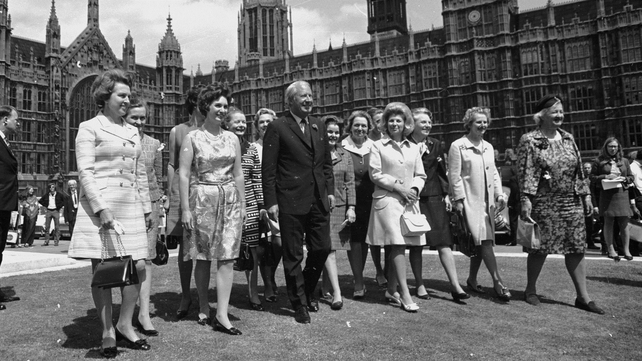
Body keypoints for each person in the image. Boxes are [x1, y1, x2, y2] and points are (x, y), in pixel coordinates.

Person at [67, 69, 153, 358]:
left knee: (138, 267)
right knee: (103, 271)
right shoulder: (89, 127)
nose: (128, 100)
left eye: (129, 95)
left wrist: (147, 207)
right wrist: (101, 208)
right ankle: (107, 332)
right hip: (101, 205)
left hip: (130, 205)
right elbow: (85, 173)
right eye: (122, 95)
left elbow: (139, 172)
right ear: (105, 97)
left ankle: (125, 324)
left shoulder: (132, 130)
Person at [517, 94, 604, 314]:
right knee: (539, 248)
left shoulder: (568, 138)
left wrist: (585, 195)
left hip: (571, 201)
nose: (560, 115)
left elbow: (578, 170)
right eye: (555, 112)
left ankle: (583, 297)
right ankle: (530, 290)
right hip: (544, 202)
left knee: (576, 246)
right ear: (542, 115)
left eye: (561, 111)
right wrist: (526, 198)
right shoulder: (530, 140)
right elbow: (525, 171)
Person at [262, 80, 335, 324]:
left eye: (310, 96)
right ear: (290, 100)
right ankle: (299, 303)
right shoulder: (278, 126)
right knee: (293, 255)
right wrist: (271, 201)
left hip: (318, 198)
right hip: (290, 199)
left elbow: (325, 163)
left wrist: (330, 190)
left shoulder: (319, 125)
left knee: (322, 248)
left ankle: (304, 288)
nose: (308, 100)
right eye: (303, 96)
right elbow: (269, 169)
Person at [179, 83, 245, 335]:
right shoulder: (192, 137)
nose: (222, 110)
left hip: (228, 200)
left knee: (227, 256)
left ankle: (222, 313)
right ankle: (204, 304)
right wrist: (185, 209)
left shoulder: (232, 138)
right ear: (206, 107)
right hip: (202, 199)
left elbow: (238, 174)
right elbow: (184, 175)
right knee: (204, 257)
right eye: (218, 105)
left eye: (225, 106)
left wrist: (243, 204)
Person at [366, 102, 426, 313]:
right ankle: (405, 293)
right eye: (390, 120)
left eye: (398, 120)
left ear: (406, 123)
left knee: (397, 246)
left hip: (409, 201)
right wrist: (400, 188)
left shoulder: (414, 147)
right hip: (387, 200)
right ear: (385, 123)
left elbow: (420, 175)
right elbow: (375, 174)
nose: (394, 124)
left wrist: (415, 190)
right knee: (398, 245)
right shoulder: (377, 146)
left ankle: (391, 290)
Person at [448, 107, 511, 302]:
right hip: (469, 202)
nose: (483, 125)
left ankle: (472, 279)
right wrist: (458, 201)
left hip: (488, 203)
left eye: (485, 122)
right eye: (478, 122)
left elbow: (493, 173)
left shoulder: (489, 147)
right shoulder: (458, 146)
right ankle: (498, 282)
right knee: (484, 242)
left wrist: (499, 194)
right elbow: (454, 176)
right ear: (469, 124)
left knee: (481, 242)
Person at [408, 107, 469, 302]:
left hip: (434, 197)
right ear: (412, 124)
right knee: (417, 245)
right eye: (423, 122)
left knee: (444, 243)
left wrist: (447, 195)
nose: (427, 125)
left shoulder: (436, 144)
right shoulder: (404, 144)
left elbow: (443, 172)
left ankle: (455, 285)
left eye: (429, 122)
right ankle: (419, 284)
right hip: (413, 198)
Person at [124, 92, 162, 336]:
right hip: (126, 206)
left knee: (146, 261)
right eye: (134, 118)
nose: (139, 122)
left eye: (143, 118)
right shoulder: (119, 141)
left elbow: (156, 176)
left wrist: (160, 203)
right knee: (127, 262)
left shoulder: (153, 143)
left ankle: (144, 313)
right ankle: (126, 314)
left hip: (151, 206)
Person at [167, 85, 205, 320]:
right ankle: (185, 295)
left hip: (207, 193)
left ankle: (202, 298)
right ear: (193, 104)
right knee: (185, 250)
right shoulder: (178, 131)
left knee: (205, 249)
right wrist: (172, 197)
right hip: (184, 194)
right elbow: (172, 165)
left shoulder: (214, 130)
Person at [223, 107, 265, 311]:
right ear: (227, 124)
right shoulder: (221, 147)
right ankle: (224, 295)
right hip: (226, 204)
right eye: (236, 122)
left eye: (244, 122)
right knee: (226, 252)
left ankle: (253, 293)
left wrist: (260, 206)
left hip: (249, 204)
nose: (241, 125)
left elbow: (256, 179)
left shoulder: (251, 149)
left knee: (252, 251)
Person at [340, 110, 378, 296]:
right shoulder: (342, 146)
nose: (360, 129)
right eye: (356, 125)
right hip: (350, 201)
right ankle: (359, 281)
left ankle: (359, 277)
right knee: (354, 241)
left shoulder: (375, 146)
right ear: (350, 127)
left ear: (368, 128)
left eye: (364, 125)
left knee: (365, 241)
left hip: (371, 199)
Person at [320, 115, 356, 310]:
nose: (332, 135)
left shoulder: (345, 155)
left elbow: (350, 183)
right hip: (319, 206)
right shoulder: (317, 153)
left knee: (330, 248)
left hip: (340, 207)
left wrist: (352, 207)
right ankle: (335, 291)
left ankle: (328, 288)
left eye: (335, 132)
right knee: (327, 248)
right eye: (329, 131)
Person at [253, 108, 282, 302]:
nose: (265, 125)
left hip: (280, 200)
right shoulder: (252, 148)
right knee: (263, 244)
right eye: (261, 122)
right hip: (259, 201)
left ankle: (270, 276)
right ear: (256, 126)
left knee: (280, 243)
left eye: (268, 121)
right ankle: (269, 284)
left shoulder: (282, 145)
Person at [591, 137, 635, 261]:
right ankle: (611, 249)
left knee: (624, 223)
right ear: (606, 148)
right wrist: (605, 176)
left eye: (615, 146)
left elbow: (631, 176)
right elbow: (592, 177)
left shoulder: (625, 161)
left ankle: (626, 250)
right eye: (610, 146)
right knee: (608, 222)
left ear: (618, 148)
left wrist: (626, 179)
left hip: (622, 193)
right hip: (607, 194)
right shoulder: (599, 161)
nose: (613, 149)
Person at [363, 107, 388, 286]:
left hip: (387, 191)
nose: (382, 124)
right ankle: (379, 270)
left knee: (389, 234)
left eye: (383, 120)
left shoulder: (390, 139)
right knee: (374, 237)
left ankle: (387, 270)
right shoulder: (367, 142)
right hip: (370, 190)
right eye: (378, 121)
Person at [0, 105, 21, 310]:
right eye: (16, 119)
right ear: (5, 119)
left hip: (5, 203)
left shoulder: (6, 142)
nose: (18, 122)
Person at [38, 182, 66, 246]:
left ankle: (56, 241)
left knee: (57, 227)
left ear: (55, 188)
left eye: (53, 187)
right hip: (48, 211)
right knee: (47, 227)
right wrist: (46, 206)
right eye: (50, 187)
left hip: (56, 211)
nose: (52, 188)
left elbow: (64, 201)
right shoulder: (47, 195)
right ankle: (46, 241)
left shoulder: (59, 194)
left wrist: (59, 207)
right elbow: (40, 201)